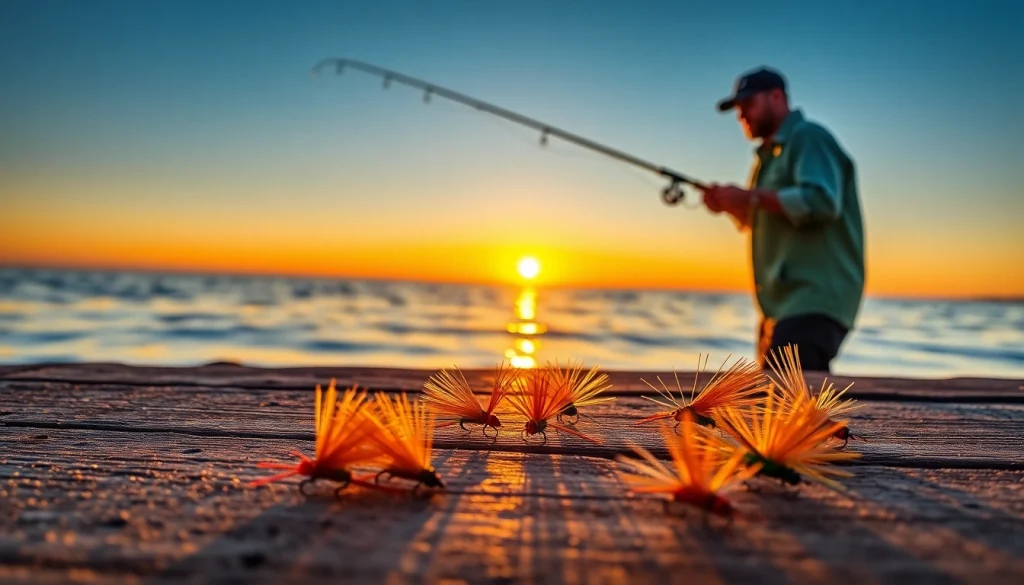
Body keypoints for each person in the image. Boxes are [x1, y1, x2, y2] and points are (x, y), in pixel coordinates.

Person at [702, 67, 865, 373]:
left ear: (776, 97)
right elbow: (767, 217)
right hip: (780, 308)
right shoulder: (768, 158)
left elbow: (821, 201)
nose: (742, 116)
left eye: (748, 104)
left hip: (812, 300)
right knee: (779, 405)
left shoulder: (809, 138)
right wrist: (732, 206)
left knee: (787, 406)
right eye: (737, 110)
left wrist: (748, 197)